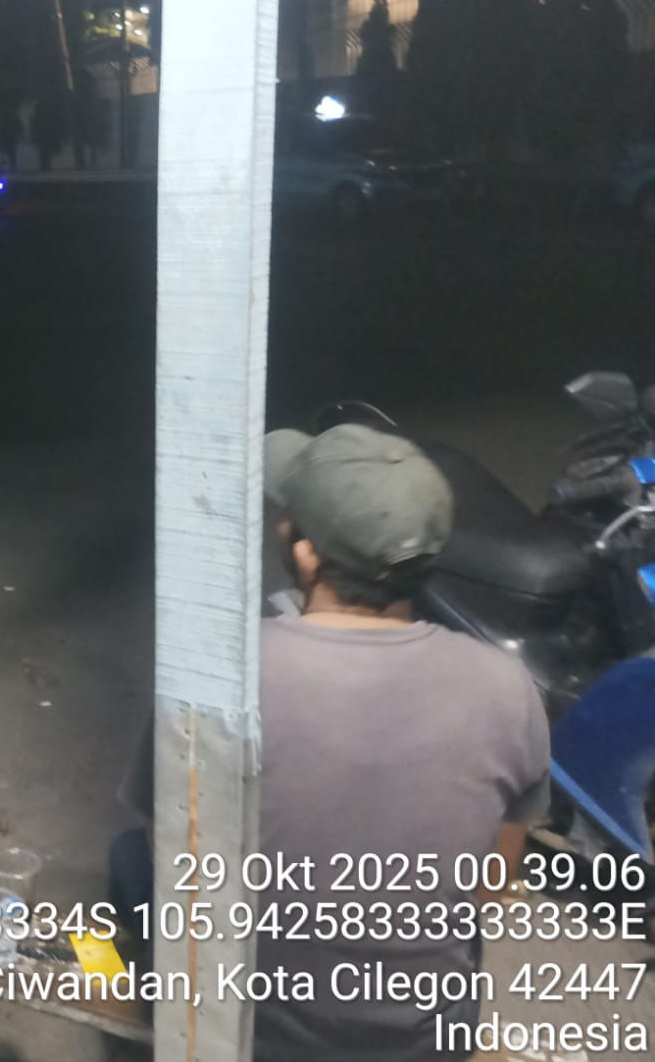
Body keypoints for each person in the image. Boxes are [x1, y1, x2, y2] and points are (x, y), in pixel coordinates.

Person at [113, 425, 550, 1061]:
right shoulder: (507, 686)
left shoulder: (222, 674)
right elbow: (490, 886)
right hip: (420, 1043)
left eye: (287, 514)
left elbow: (177, 854)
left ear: (307, 554)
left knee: (131, 856)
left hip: (252, 1036)